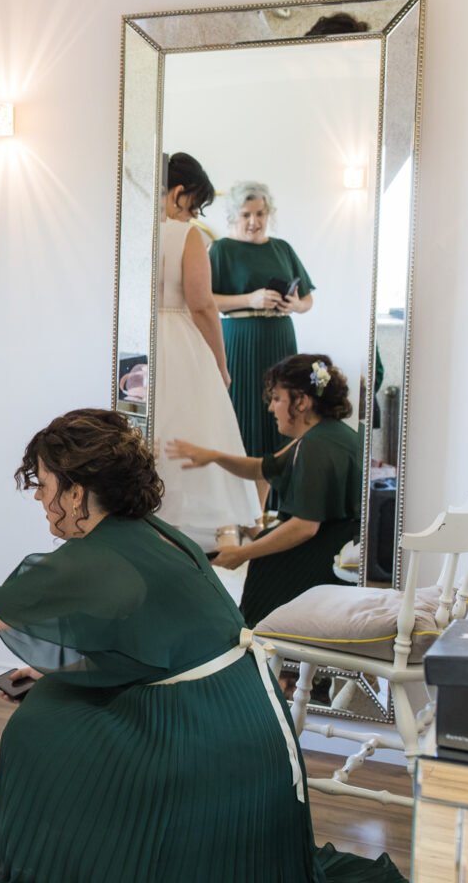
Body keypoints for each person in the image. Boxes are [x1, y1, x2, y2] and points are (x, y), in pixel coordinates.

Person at [0, 408, 404, 883]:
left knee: (38, 725)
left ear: (76, 491)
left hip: (198, 732)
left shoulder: (91, 558)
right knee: (55, 692)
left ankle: (84, 860)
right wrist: (50, 674)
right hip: (244, 715)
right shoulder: (153, 532)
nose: (39, 498)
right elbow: (152, 639)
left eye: (42, 485)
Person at [167, 354, 360, 626]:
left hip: (328, 554)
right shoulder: (329, 433)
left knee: (266, 564)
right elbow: (263, 468)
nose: (271, 408)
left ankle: (266, 642)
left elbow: (305, 527)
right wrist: (213, 456)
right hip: (340, 542)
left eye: (277, 398)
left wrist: (243, 553)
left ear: (302, 401)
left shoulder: (315, 447)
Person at [151, 153, 257, 535]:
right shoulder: (184, 235)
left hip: (138, 346)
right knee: (186, 434)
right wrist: (220, 363)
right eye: (194, 205)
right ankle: (179, 529)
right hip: (179, 343)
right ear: (179, 193)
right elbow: (202, 304)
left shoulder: (130, 228)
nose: (193, 215)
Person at [209, 181, 315, 508]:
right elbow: (206, 299)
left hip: (280, 337)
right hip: (241, 338)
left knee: (284, 416)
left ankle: (274, 507)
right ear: (234, 216)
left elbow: (307, 299)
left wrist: (294, 306)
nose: (254, 221)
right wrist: (249, 298)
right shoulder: (221, 250)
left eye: (260, 213)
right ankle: (242, 508)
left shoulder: (282, 248)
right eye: (246, 214)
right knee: (243, 416)